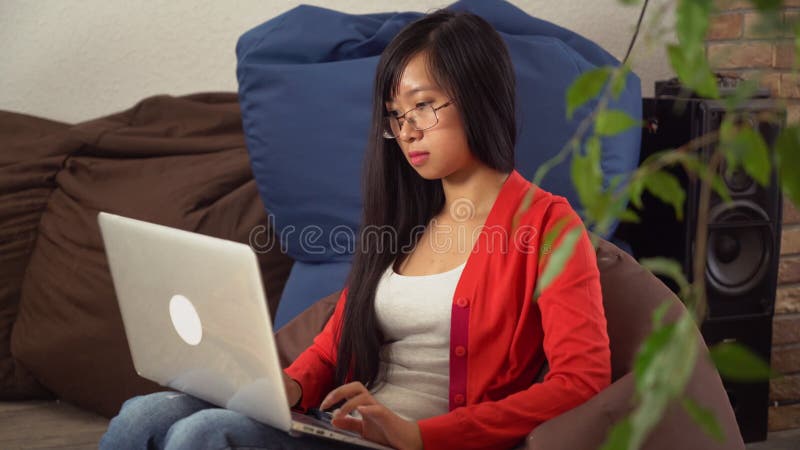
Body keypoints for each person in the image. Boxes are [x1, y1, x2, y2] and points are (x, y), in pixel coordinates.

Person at [100, 9, 610, 450]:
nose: (407, 129)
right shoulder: (403, 219)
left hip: (419, 442)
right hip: (341, 428)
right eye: (395, 115)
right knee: (141, 415)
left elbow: (582, 380)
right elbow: (335, 342)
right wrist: (290, 389)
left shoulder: (547, 225)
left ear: (480, 96)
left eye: (423, 106)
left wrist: (421, 435)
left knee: (207, 435)